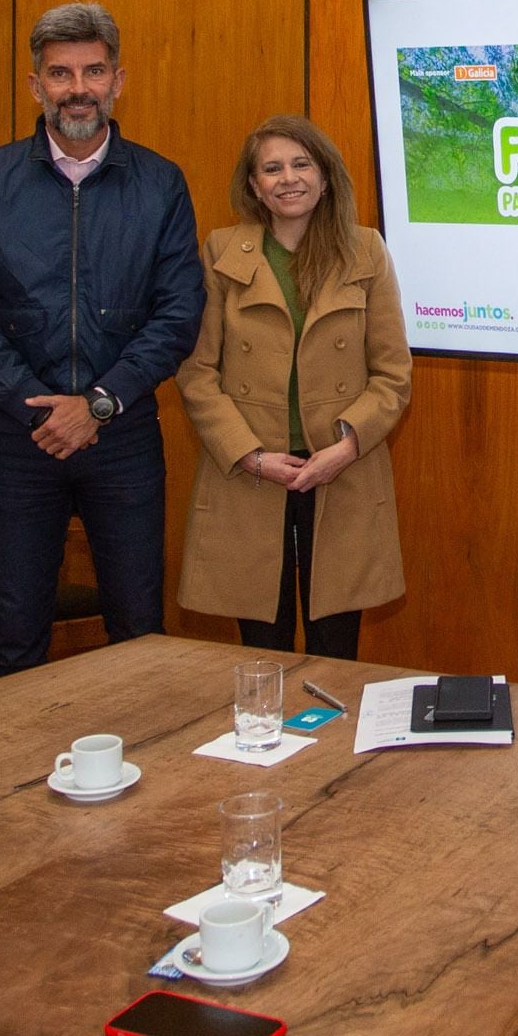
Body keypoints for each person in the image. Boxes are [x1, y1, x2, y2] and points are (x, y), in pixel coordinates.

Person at [0, 2, 204, 673]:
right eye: (60, 73)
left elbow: (179, 312)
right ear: (36, 87)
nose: (78, 87)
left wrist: (99, 404)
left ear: (118, 80)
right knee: (18, 633)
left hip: (124, 434)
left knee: (139, 630)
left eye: (93, 70)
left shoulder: (160, 182)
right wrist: (42, 407)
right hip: (20, 438)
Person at [175, 117, 412, 657]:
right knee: (261, 656)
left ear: (325, 177)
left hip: (341, 470)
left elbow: (393, 374)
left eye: (302, 164)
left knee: (335, 655)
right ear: (254, 185)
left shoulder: (366, 250)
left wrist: (346, 447)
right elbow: (196, 373)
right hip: (251, 473)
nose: (289, 178)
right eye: (272, 168)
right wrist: (250, 455)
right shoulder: (220, 251)